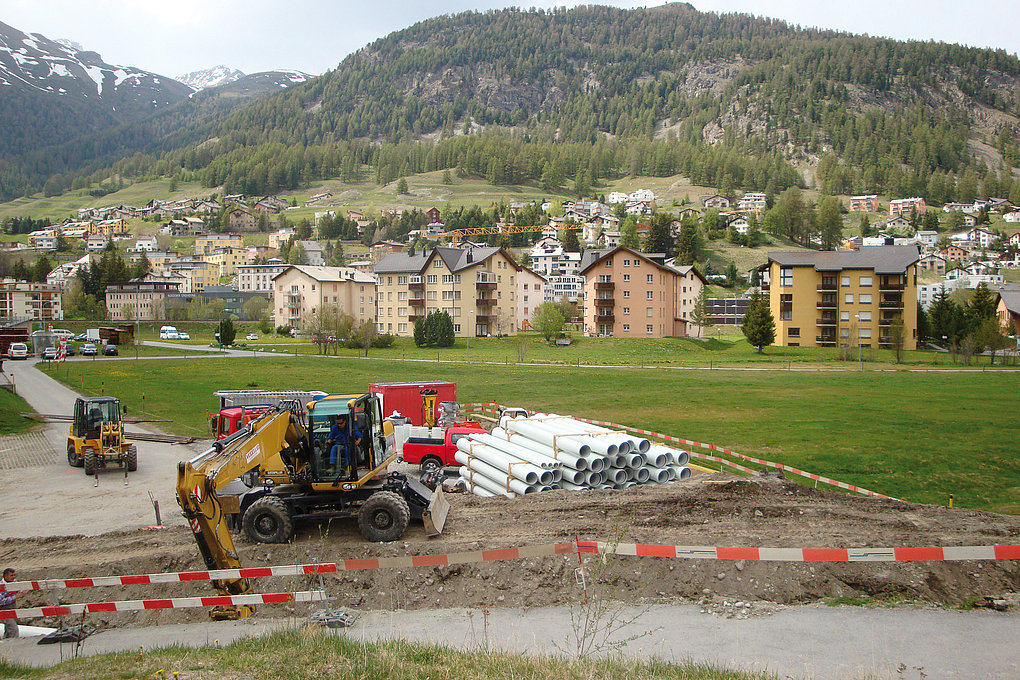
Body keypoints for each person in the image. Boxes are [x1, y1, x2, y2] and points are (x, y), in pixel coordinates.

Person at [1, 568, 21, 639]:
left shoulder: (14, 582)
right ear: (5, 576)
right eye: (11, 575)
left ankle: (5, 642)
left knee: (8, 627)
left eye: (14, 575)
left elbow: (20, 589)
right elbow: (1, 601)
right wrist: (15, 597)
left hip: (12, 608)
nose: (13, 577)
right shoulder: (1, 586)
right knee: (13, 628)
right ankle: (12, 643)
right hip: (3, 610)